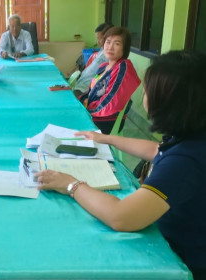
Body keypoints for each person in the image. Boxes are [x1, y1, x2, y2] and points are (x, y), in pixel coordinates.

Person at [36, 50, 206, 279]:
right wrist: (106, 139)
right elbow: (157, 151)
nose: (143, 94)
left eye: (148, 89)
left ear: (170, 102)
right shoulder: (192, 137)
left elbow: (121, 216)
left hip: (183, 257)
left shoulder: (186, 160)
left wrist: (71, 184)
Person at [79, 26, 140, 134]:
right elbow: (90, 91)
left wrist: (86, 111)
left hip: (106, 121)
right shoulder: (104, 66)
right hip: (94, 114)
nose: (110, 47)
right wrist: (78, 103)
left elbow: (110, 103)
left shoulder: (123, 68)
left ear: (124, 48)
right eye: (108, 42)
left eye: (117, 44)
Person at [72, 23, 113, 93]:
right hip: (80, 86)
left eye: (99, 39)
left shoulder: (108, 56)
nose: (97, 42)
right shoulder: (102, 51)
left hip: (86, 91)